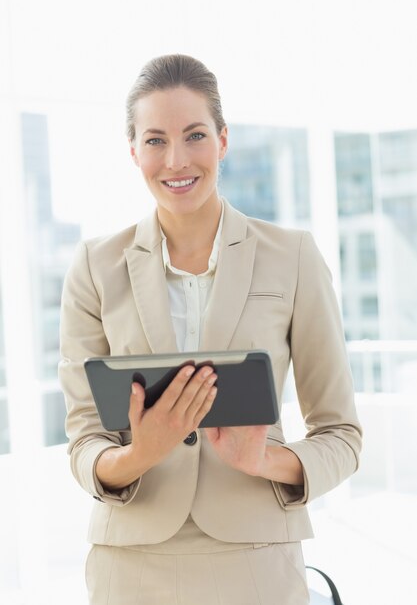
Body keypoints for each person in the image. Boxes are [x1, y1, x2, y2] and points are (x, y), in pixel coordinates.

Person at [59, 53, 362, 605]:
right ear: (133, 151)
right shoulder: (94, 266)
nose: (176, 159)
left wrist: (265, 459)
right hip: (131, 567)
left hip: (258, 564)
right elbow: (84, 437)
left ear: (223, 140)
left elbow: (341, 433)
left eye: (194, 135)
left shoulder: (292, 257)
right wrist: (138, 453)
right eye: (155, 140)